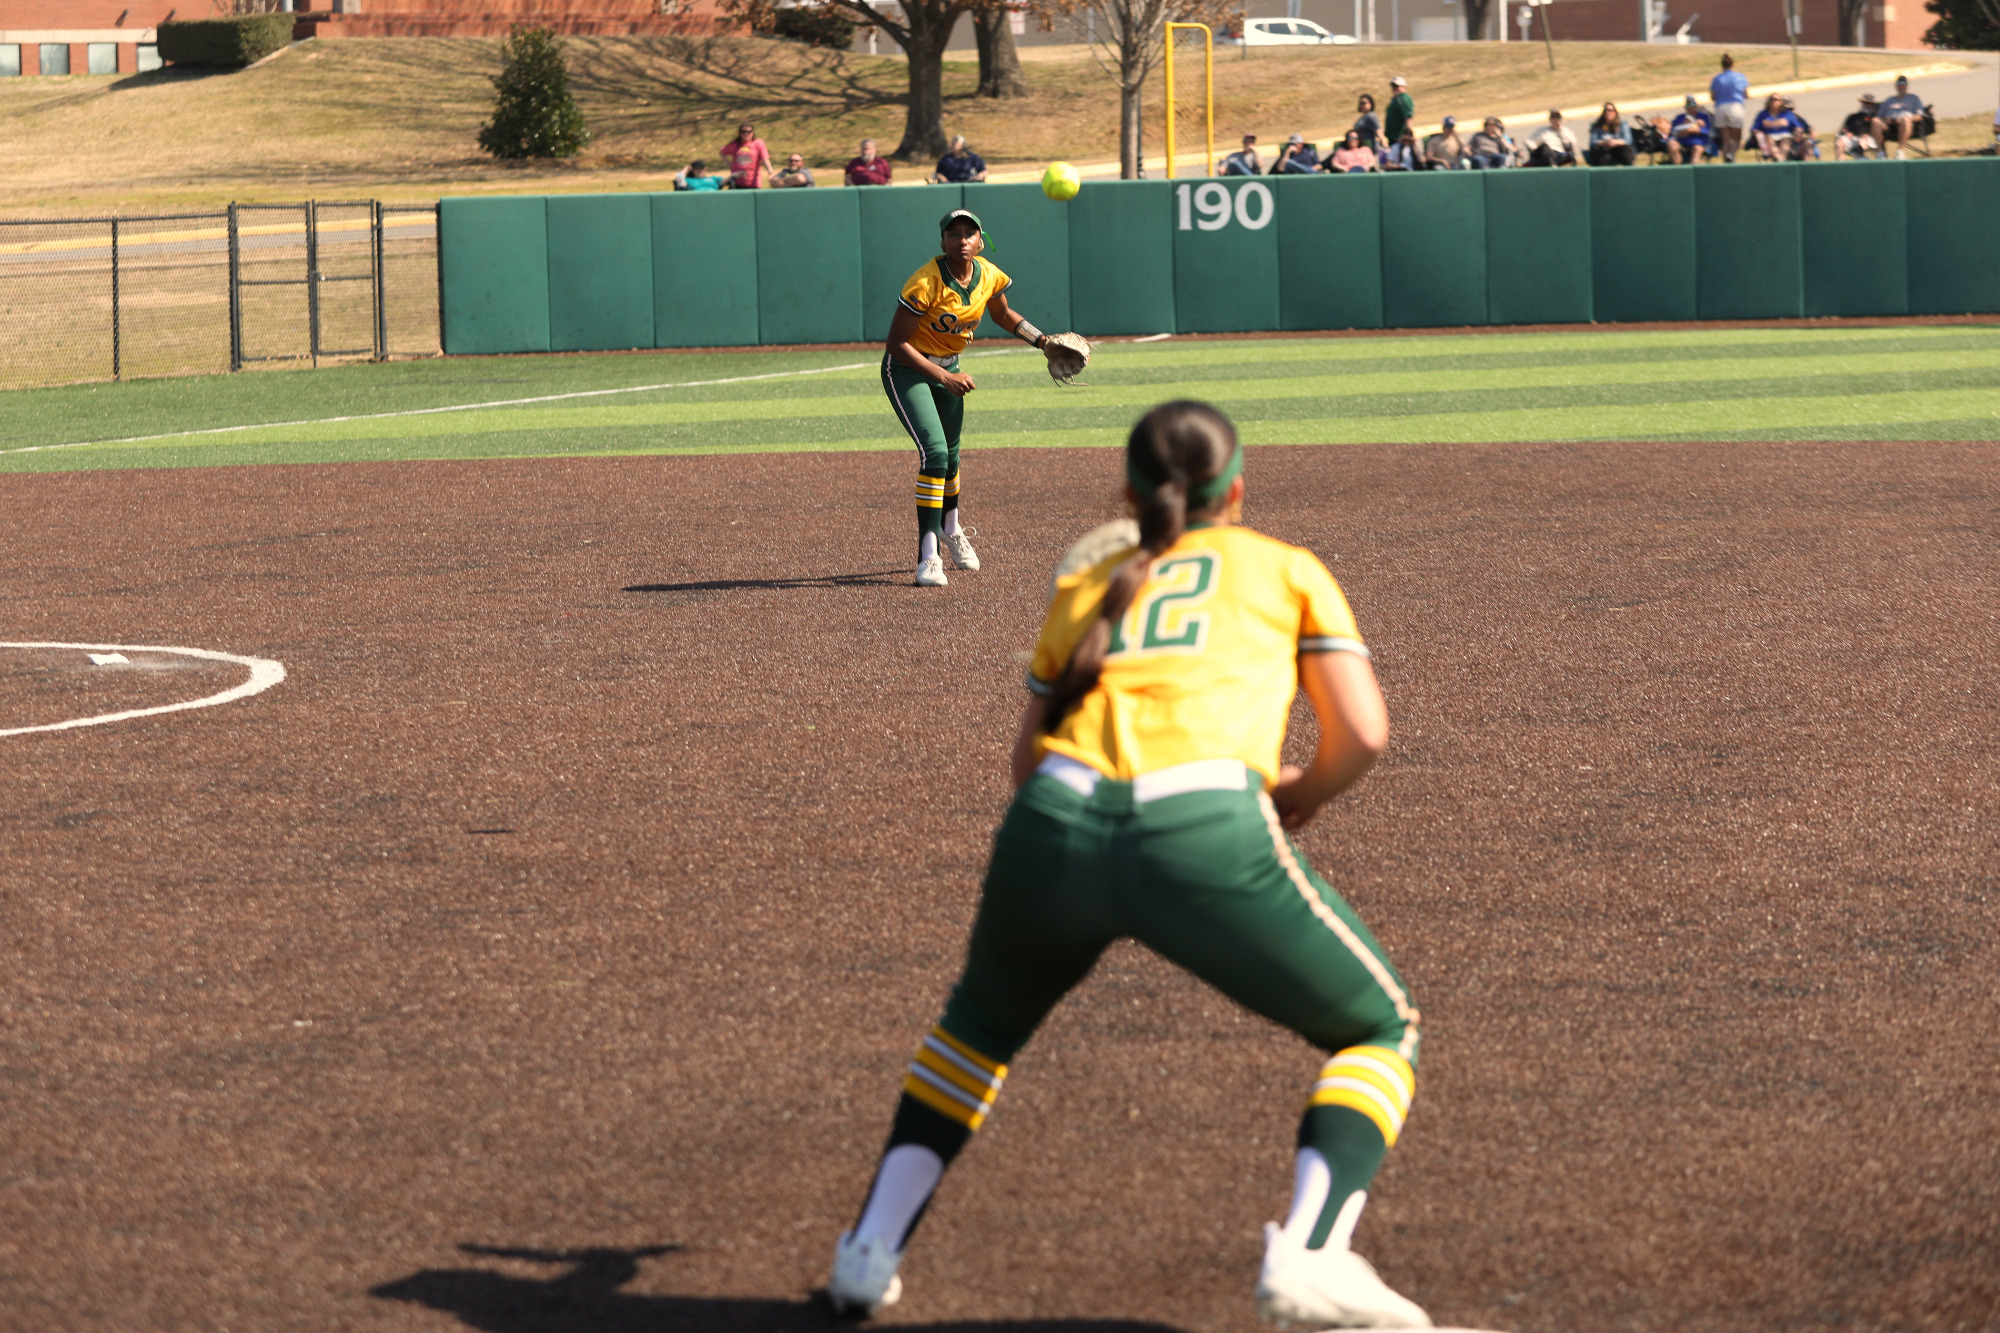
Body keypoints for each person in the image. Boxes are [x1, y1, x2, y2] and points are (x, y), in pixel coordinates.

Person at [824, 400, 1431, 1329]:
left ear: (1127, 491)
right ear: (1239, 489)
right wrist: (1299, 791)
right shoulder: (1285, 568)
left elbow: (1026, 762)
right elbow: (1364, 735)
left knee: (975, 1032)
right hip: (1203, 830)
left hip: (1051, 822)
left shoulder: (1092, 579)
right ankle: (1311, 1252)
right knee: (1379, 1028)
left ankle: (866, 1254)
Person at [882, 210, 1067, 587]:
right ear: (943, 242)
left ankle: (952, 528)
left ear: (980, 241)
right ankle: (928, 555)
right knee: (934, 454)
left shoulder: (989, 274)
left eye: (969, 233)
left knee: (951, 457)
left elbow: (1004, 315)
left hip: (949, 370)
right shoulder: (926, 282)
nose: (962, 240)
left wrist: (1043, 341)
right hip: (908, 370)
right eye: (954, 234)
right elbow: (897, 344)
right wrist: (944, 376)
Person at [1709, 53, 1748, 162]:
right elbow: (1746, 94)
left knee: (1726, 140)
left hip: (1720, 108)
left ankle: (1726, 161)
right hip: (1735, 107)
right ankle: (1731, 154)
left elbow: (1713, 96)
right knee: (1737, 138)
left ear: (1722, 65)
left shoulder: (1717, 78)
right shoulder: (1740, 76)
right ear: (1732, 65)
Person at [1873, 75, 1925, 157]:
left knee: (1905, 121)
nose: (1901, 87)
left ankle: (1900, 151)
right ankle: (1880, 152)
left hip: (1906, 124)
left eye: (1903, 84)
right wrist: (1886, 119)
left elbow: (1919, 116)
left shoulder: (1914, 98)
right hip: (1889, 125)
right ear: (1896, 86)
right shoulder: (1889, 100)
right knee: (1875, 121)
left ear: (1906, 86)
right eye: (1899, 84)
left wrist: (1908, 119)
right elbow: (1879, 115)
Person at [1750, 93, 1805, 161]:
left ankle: (1780, 160)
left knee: (1786, 139)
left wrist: (1769, 124)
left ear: (1780, 102)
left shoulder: (1786, 113)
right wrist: (1760, 134)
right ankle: (1780, 160)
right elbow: (1755, 128)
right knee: (1769, 139)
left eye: (1776, 100)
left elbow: (1797, 126)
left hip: (1784, 135)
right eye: (1771, 100)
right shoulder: (1763, 114)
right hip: (1769, 136)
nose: (1773, 102)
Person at [720, 121, 770, 189]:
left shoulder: (758, 143)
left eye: (749, 131)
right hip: (737, 183)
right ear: (740, 133)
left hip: (753, 183)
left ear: (752, 133)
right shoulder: (735, 144)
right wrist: (729, 164)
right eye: (743, 132)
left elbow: (765, 159)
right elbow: (722, 151)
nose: (746, 134)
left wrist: (770, 172)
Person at [1667, 95, 1713, 165]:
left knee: (1697, 149)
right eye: (1688, 105)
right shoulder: (1680, 117)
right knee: (1671, 144)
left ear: (1696, 106)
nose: (1691, 107)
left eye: (1693, 104)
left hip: (1697, 142)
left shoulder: (1703, 117)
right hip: (1681, 141)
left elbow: (1705, 131)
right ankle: (1678, 169)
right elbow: (1673, 131)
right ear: (1685, 107)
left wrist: (1689, 130)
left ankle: (1693, 170)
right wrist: (1684, 126)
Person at [1587, 103, 1635, 167]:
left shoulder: (1622, 124)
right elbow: (1593, 141)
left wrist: (1615, 142)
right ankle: (1600, 175)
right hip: (1603, 150)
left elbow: (1628, 140)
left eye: (1610, 110)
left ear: (1615, 112)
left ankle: (1629, 173)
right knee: (1597, 153)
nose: (1608, 112)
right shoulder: (1598, 125)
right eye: (1606, 110)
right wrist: (1605, 142)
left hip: (1619, 149)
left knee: (1627, 152)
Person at [1383, 75, 1414, 147]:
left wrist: (1407, 134)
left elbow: (1408, 116)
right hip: (1392, 137)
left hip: (1399, 137)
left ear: (1403, 86)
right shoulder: (1396, 99)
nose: (1394, 88)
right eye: (1393, 86)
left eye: (1396, 86)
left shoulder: (1404, 98)